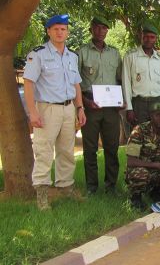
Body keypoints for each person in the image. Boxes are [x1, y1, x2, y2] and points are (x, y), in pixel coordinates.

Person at [23, 14, 86, 210]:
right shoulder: (38, 54)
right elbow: (28, 83)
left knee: (67, 150)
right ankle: (42, 194)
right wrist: (32, 112)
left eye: (63, 29)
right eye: (56, 29)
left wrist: (80, 108)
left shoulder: (72, 56)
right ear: (48, 31)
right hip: (47, 108)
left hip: (68, 108)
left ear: (67, 32)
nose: (60, 32)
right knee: (43, 150)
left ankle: (65, 187)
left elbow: (76, 84)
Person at [78, 16, 122, 195]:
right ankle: (92, 187)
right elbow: (75, 82)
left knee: (112, 147)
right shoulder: (82, 52)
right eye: (97, 28)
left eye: (104, 28)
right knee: (90, 148)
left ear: (107, 31)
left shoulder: (114, 53)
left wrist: (121, 101)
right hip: (90, 105)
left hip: (111, 108)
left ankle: (111, 186)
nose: (101, 31)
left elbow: (120, 79)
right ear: (91, 29)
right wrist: (84, 102)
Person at [122, 23, 160, 125]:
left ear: (155, 39)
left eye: (152, 37)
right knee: (138, 136)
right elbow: (126, 84)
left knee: (157, 136)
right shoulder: (130, 56)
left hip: (157, 102)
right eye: (146, 36)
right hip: (139, 104)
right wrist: (129, 108)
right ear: (141, 37)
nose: (148, 40)